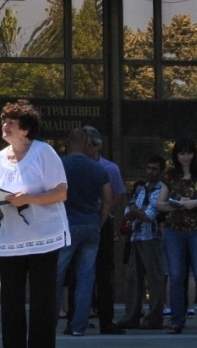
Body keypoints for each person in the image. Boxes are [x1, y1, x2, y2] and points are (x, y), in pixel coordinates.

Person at [0, 100, 68, 348]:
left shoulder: (43, 152)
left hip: (44, 234)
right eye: (4, 120)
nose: (5, 125)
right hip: (12, 235)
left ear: (26, 129)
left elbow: (61, 192)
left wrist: (29, 197)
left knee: (42, 294)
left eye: (11, 122)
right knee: (11, 295)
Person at [55, 128, 112, 337]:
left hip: (65, 226)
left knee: (57, 276)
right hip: (90, 225)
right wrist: (99, 222)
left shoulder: (59, 165)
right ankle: (79, 326)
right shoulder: (98, 169)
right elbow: (108, 199)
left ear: (68, 143)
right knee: (86, 278)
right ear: (87, 142)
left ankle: (49, 322)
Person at [158, 137, 197, 335]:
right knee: (175, 276)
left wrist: (195, 203)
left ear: (194, 154)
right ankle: (176, 320)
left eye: (189, 152)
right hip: (174, 229)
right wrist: (176, 204)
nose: (185, 157)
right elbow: (159, 204)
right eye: (181, 153)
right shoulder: (169, 176)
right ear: (176, 155)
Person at [80, 126, 127, 335]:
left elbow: (116, 197)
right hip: (80, 220)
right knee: (78, 273)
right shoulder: (74, 165)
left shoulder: (110, 168)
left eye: (88, 144)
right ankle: (77, 319)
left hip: (103, 221)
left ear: (97, 145)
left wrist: (103, 217)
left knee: (104, 273)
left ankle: (106, 321)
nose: (84, 148)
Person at [115, 155, 168, 330]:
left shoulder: (162, 190)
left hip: (152, 239)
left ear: (161, 171)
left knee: (154, 280)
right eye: (148, 168)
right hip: (136, 237)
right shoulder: (142, 189)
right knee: (133, 279)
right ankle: (132, 317)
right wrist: (135, 211)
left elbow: (149, 215)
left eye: (154, 169)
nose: (150, 172)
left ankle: (154, 318)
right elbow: (128, 211)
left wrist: (134, 211)